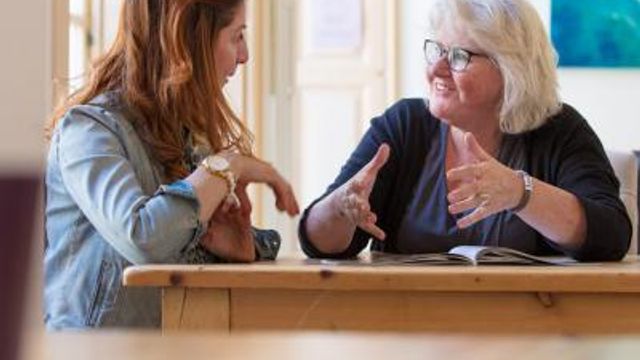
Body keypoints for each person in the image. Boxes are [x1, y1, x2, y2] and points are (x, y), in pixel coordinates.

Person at [298, 0, 631, 261]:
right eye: (437, 50)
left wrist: (520, 192)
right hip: (409, 329)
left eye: (459, 56)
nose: (437, 68)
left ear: (510, 69)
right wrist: (339, 207)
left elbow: (611, 237)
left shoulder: (559, 130)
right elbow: (320, 245)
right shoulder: (404, 125)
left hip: (528, 334)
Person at [44, 0, 299, 330]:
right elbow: (145, 239)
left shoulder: (185, 136)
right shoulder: (88, 131)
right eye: (237, 36)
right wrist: (227, 166)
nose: (245, 55)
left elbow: (175, 243)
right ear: (187, 39)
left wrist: (238, 249)